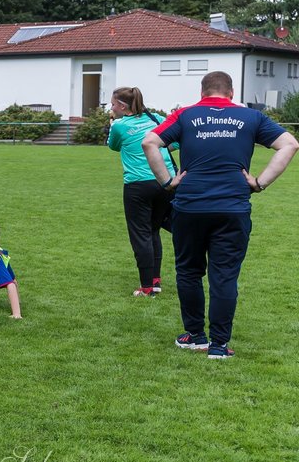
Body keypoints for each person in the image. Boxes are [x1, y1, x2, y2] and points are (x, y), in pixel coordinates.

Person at [142, 70, 298, 358]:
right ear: (232, 93)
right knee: (224, 276)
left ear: (202, 92)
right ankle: (219, 345)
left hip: (190, 206)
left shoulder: (185, 115)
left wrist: (167, 181)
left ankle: (195, 336)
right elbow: (290, 144)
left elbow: (149, 142)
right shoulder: (250, 117)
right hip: (233, 207)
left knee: (189, 272)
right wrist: (259, 182)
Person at [108, 86, 177, 296]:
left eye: (112, 104)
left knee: (141, 235)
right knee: (153, 231)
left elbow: (114, 146)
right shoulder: (156, 118)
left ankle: (147, 287)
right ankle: (155, 280)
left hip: (138, 185)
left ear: (121, 106)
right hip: (165, 182)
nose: (111, 107)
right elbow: (175, 142)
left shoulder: (119, 125)